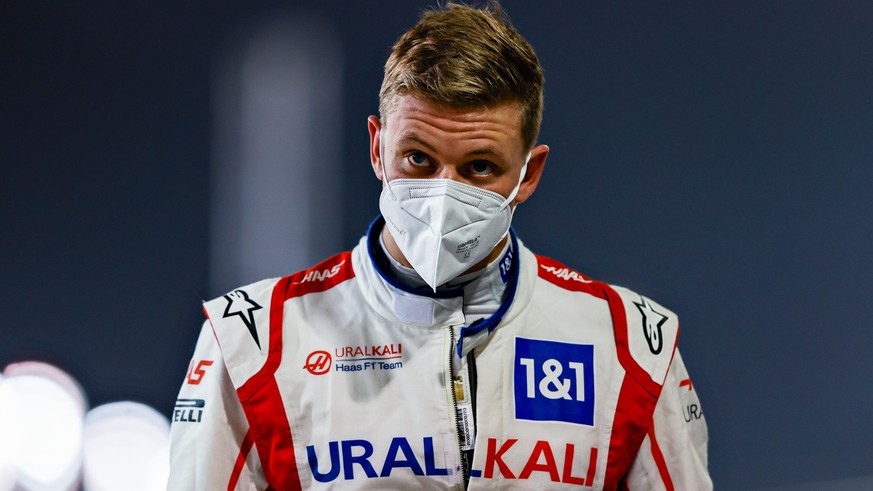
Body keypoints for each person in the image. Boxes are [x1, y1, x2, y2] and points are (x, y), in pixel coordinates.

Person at [167, 3, 712, 490]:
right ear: (378, 148)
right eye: (419, 159)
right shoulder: (250, 344)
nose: (443, 193)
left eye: (479, 167)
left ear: (529, 173)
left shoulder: (633, 347)